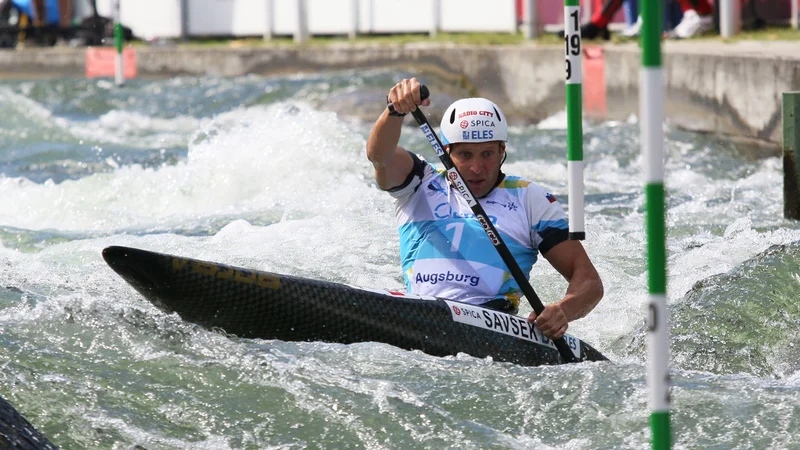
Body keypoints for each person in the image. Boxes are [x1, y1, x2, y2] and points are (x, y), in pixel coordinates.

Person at [366, 78, 604, 340]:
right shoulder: (419, 183)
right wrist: (394, 111)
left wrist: (562, 311)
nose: (477, 168)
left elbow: (589, 282)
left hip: (492, 329)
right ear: (446, 152)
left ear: (503, 149)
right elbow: (380, 156)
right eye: (465, 155)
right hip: (420, 315)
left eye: (488, 154)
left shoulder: (530, 199)